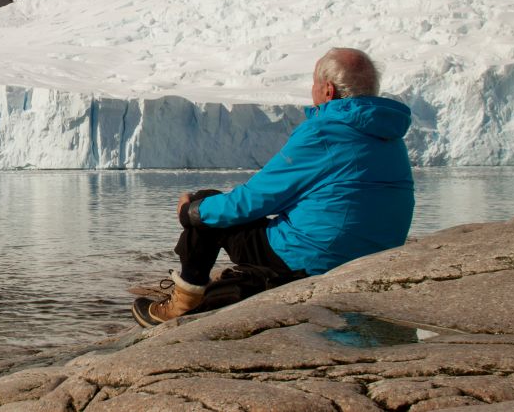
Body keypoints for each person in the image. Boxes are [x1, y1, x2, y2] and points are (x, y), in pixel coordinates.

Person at [132, 47, 415, 326]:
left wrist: (190, 212)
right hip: (371, 260)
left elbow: (255, 199)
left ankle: (181, 305)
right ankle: (231, 286)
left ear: (327, 90)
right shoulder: (389, 135)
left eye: (315, 84)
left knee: (206, 205)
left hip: (314, 261)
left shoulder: (323, 133)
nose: (313, 90)